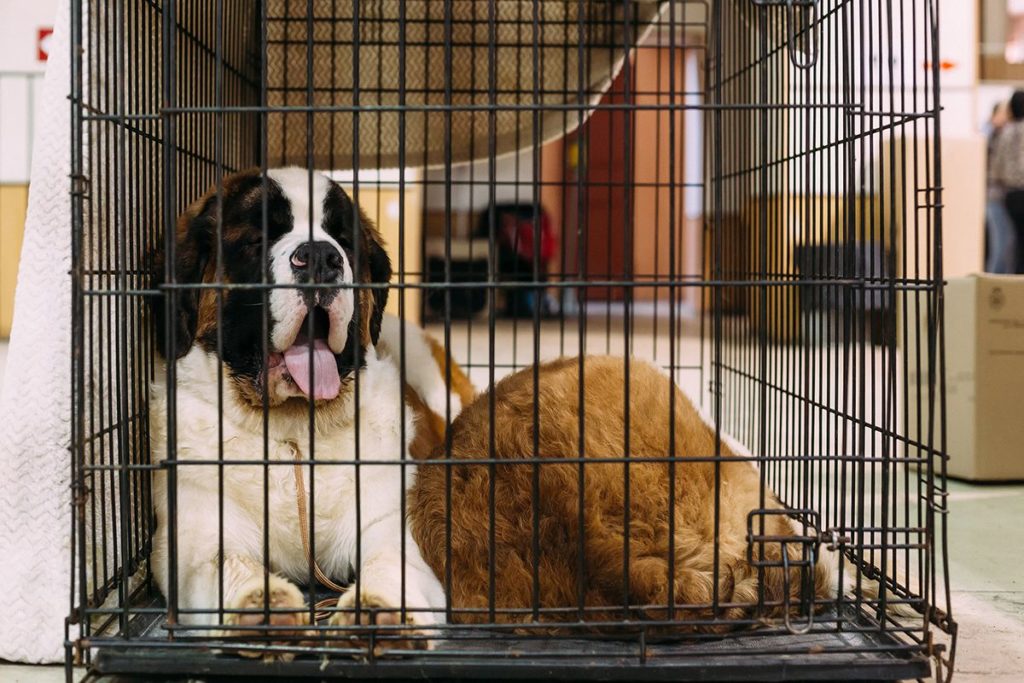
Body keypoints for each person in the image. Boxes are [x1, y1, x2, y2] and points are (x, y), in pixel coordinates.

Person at [990, 90, 1024, 273]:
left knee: (1015, 242)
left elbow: (997, 168)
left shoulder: (1006, 133)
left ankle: (1015, 284)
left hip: (1010, 195)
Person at [984, 101, 1017, 273]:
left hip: (1002, 198)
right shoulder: (993, 135)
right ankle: (993, 284)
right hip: (995, 197)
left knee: (1007, 244)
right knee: (1001, 244)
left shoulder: (1004, 133)